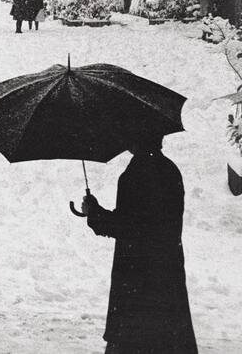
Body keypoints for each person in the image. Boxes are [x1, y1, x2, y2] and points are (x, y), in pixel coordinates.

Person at [81, 135, 197, 354]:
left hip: (138, 275)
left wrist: (94, 213)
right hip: (166, 271)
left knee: (135, 340)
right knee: (166, 340)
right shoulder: (170, 169)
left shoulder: (136, 174)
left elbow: (128, 227)